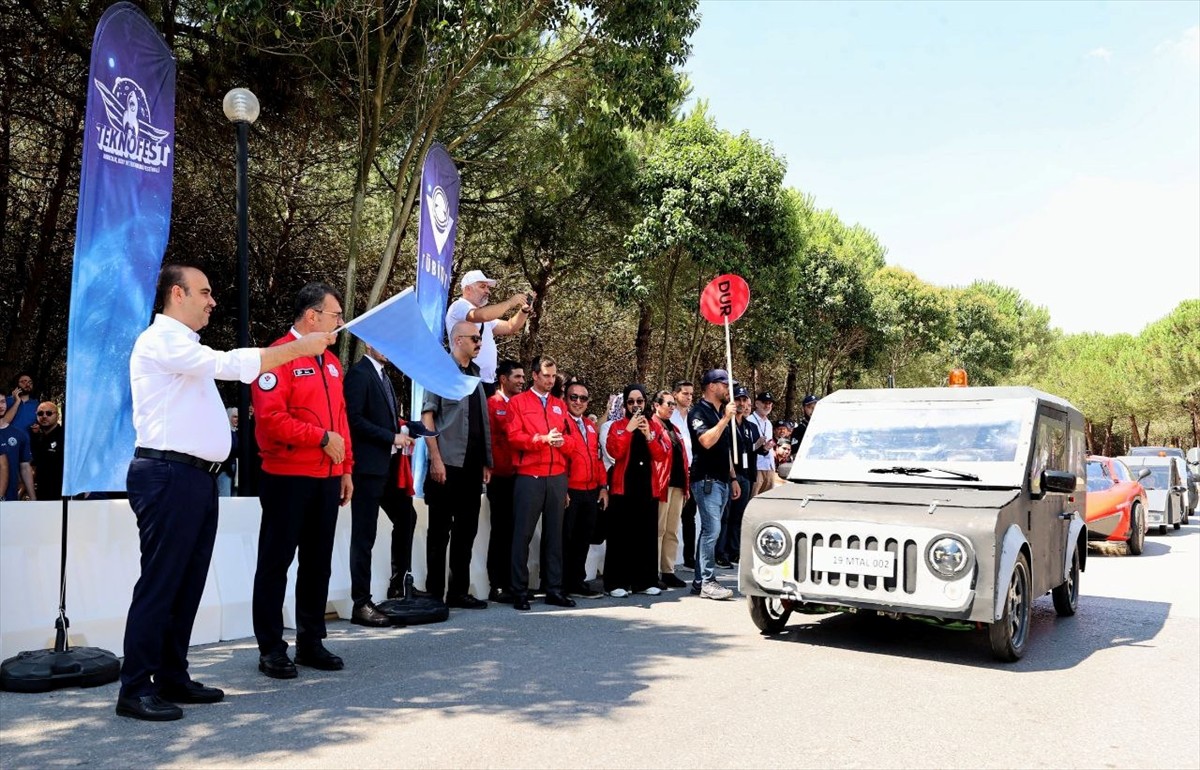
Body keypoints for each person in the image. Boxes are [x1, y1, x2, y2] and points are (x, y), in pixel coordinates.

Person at [118, 264, 334, 721]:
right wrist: (297, 348)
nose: (212, 301)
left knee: (187, 583)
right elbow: (227, 365)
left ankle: (172, 676)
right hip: (168, 475)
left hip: (194, 477)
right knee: (161, 584)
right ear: (177, 294)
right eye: (204, 292)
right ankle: (135, 687)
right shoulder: (162, 341)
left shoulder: (184, 346)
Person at [252, 282, 354, 680]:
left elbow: (341, 418)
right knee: (275, 564)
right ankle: (271, 648)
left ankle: (311, 641)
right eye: (335, 315)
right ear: (312, 316)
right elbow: (271, 421)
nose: (339, 323)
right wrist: (321, 439)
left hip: (327, 478)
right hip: (287, 478)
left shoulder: (331, 362)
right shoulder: (277, 357)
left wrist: (346, 466)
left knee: (318, 564)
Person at [345, 344, 417, 627]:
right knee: (364, 534)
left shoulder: (384, 376)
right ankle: (360, 603)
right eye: (382, 343)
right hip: (366, 467)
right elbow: (354, 420)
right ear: (368, 344)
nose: (389, 349)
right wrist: (391, 437)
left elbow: (380, 418)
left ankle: (398, 583)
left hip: (386, 466)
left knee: (406, 516)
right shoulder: (359, 374)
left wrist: (405, 429)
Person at [422, 321, 493, 609]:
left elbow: (481, 422)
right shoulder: (439, 372)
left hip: (472, 467)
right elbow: (428, 418)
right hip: (447, 464)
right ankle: (434, 594)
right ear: (458, 340)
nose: (479, 343)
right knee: (439, 532)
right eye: (475, 338)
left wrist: (487, 461)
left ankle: (458, 592)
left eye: (480, 338)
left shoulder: (476, 376)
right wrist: (435, 458)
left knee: (467, 531)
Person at [506, 354, 575, 610]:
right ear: (534, 376)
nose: (550, 380)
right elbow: (513, 437)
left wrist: (561, 442)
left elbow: (571, 442)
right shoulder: (518, 403)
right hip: (529, 476)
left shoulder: (559, 405)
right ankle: (519, 591)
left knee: (554, 536)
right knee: (521, 535)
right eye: (545, 375)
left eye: (553, 375)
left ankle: (554, 589)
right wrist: (541, 439)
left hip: (556, 476)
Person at [604, 384, 670, 598]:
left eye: (639, 401)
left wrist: (649, 435)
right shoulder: (617, 426)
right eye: (631, 402)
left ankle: (644, 581)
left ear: (645, 403)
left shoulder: (654, 426)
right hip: (623, 488)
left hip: (647, 488)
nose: (635, 405)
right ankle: (617, 582)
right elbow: (614, 451)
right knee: (620, 537)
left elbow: (662, 455)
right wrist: (629, 429)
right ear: (625, 404)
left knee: (646, 535)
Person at [687, 369, 739, 600]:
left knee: (710, 530)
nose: (729, 388)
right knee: (712, 530)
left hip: (722, 480)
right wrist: (726, 419)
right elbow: (706, 441)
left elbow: (724, 449)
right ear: (711, 386)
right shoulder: (698, 412)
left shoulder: (719, 412)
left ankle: (700, 580)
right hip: (706, 479)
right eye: (724, 384)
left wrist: (733, 477)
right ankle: (708, 581)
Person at [444, 269, 534, 396]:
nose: (487, 291)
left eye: (487, 287)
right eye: (482, 286)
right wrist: (509, 303)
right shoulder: (459, 306)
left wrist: (523, 311)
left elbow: (510, 327)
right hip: (468, 378)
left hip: (486, 381)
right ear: (468, 289)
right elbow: (482, 315)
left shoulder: (481, 314)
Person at [561, 380, 607, 599]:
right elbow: (559, 458)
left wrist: (603, 487)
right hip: (570, 489)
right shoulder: (560, 421)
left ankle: (576, 582)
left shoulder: (590, 425)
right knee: (565, 539)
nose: (578, 402)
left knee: (583, 539)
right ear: (565, 398)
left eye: (583, 398)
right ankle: (559, 583)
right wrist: (562, 488)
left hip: (590, 491)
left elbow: (598, 458)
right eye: (573, 397)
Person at [485, 359, 523, 603]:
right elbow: (486, 438)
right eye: (517, 376)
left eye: (522, 377)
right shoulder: (491, 404)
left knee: (516, 531)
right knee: (500, 530)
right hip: (499, 476)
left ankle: (514, 582)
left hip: (521, 476)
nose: (521, 381)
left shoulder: (521, 404)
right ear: (503, 379)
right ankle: (497, 584)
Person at [717, 385, 761, 567]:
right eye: (739, 400)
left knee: (738, 516)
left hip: (746, 474)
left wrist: (762, 447)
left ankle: (734, 550)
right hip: (729, 474)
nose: (742, 403)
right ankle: (720, 552)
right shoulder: (726, 422)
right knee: (725, 516)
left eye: (745, 400)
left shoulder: (750, 426)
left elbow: (753, 450)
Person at [652, 389, 690, 589]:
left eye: (673, 405)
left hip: (677, 484)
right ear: (656, 405)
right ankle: (653, 571)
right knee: (658, 529)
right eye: (668, 404)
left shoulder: (674, 428)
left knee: (672, 529)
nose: (672, 408)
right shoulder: (652, 426)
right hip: (661, 485)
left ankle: (668, 570)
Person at [668, 380, 697, 570]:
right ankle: (666, 562)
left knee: (689, 516)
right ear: (675, 394)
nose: (688, 397)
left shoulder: (694, 416)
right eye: (685, 393)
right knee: (670, 519)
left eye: (691, 394)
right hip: (674, 472)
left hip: (692, 471)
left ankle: (689, 558)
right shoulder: (670, 417)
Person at [0, 396, 35, 501]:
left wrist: (33, 499)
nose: (0, 405)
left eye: (2, 402)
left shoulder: (19, 434)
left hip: (10, 498)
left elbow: (25, 467)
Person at [30, 401, 64, 500]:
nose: (44, 416)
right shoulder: (37, 437)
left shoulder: (65, 437)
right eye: (40, 413)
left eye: (49, 413)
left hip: (60, 496)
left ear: (57, 416)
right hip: (41, 494)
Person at [749, 391, 777, 495]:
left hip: (769, 466)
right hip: (756, 467)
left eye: (770, 403)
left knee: (767, 500)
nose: (767, 405)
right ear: (756, 404)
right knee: (753, 499)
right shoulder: (749, 420)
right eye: (765, 402)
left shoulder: (769, 423)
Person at [216, 407, 237, 497]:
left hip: (235, 469)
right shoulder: (224, 433)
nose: (237, 419)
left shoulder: (237, 432)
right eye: (234, 417)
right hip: (225, 469)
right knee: (225, 495)